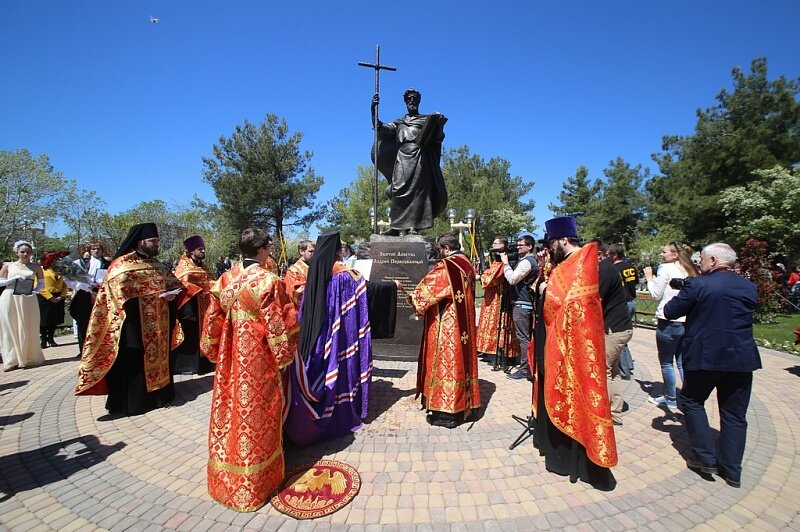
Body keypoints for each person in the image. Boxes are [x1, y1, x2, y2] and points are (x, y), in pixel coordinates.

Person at [200, 227, 299, 512]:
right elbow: (281, 323)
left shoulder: (225, 278)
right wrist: (285, 354)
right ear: (262, 249)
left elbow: (212, 319)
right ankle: (258, 483)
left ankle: (227, 478)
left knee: (230, 409)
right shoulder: (268, 280)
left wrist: (212, 348)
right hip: (258, 358)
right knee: (259, 412)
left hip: (230, 355)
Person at [664, 243, 761, 488]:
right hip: (740, 358)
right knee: (735, 414)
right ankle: (732, 470)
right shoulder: (749, 286)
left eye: (703, 260)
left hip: (706, 356)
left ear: (714, 260)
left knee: (692, 401)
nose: (701, 264)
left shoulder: (700, 284)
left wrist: (685, 291)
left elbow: (670, 311)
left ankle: (705, 457)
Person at [532, 216, 617, 490]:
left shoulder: (582, 262)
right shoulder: (567, 264)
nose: (549, 247)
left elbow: (570, 304)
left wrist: (546, 290)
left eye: (552, 242)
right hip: (557, 343)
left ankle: (574, 461)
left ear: (564, 239)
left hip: (572, 347)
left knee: (575, 394)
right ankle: (556, 452)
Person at [75, 223, 182, 416]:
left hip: (159, 324)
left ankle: (160, 395)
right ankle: (134, 403)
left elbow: (175, 284)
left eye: (157, 241)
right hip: (133, 323)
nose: (157, 244)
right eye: (153, 241)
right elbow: (115, 296)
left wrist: (171, 295)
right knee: (134, 360)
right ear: (140, 242)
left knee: (160, 357)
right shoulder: (121, 265)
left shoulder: (157, 265)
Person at [283, 232, 373, 446]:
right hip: (343, 335)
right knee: (343, 366)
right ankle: (346, 406)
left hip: (319, 336)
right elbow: (358, 308)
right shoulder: (347, 276)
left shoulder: (315, 272)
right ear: (337, 252)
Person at [405, 233, 480, 428]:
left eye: (440, 250)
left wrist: (410, 296)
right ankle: (465, 404)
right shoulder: (467, 263)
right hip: (464, 323)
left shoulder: (447, 266)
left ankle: (446, 412)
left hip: (449, 325)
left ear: (445, 248)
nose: (440, 254)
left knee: (447, 363)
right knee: (461, 362)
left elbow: (427, 292)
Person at [371, 88, 448, 234]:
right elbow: (380, 128)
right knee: (397, 189)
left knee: (418, 191)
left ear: (419, 101)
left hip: (420, 156)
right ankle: (396, 227)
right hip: (402, 156)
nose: (412, 101)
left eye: (414, 98)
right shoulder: (399, 122)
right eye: (409, 99)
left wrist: (439, 124)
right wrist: (373, 110)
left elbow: (437, 138)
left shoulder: (425, 120)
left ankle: (413, 227)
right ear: (405, 102)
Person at [644, 242, 700, 409]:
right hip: (686, 321)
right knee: (682, 361)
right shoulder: (690, 269)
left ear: (674, 254)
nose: (662, 255)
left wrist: (649, 278)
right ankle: (690, 396)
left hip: (668, 320)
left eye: (664, 252)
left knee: (667, 362)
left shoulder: (666, 268)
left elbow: (656, 294)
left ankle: (670, 397)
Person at [597, 243, 634, 426]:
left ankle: (608, 412)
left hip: (614, 329)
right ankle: (615, 411)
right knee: (614, 371)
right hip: (622, 327)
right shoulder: (610, 267)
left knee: (605, 370)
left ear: (599, 254)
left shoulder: (604, 269)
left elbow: (597, 301)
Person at [170, 235, 215, 375]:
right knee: (192, 337)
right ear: (190, 251)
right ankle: (188, 366)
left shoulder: (203, 266)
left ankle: (205, 364)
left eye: (203, 249)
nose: (202, 251)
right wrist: (188, 311)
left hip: (205, 308)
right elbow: (182, 285)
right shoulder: (184, 268)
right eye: (199, 249)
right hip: (191, 309)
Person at [0, 240, 45, 371]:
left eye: (28, 252)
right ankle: (11, 359)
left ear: (31, 253)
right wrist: (12, 280)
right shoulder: (9, 266)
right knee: (10, 326)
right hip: (10, 297)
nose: (25, 254)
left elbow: (42, 283)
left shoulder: (36, 267)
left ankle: (28, 357)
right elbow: (0, 282)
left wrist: (35, 291)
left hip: (28, 298)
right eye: (22, 252)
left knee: (28, 325)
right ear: (17, 253)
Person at [476, 237, 519, 366]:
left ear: (503, 245)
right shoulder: (496, 258)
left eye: (496, 243)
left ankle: (498, 353)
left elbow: (493, 277)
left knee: (497, 323)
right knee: (489, 322)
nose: (493, 244)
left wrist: (480, 277)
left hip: (499, 297)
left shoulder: (504, 259)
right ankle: (488, 350)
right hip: (491, 296)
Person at [501, 233, 538, 380]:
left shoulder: (527, 262)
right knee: (525, 337)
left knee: (523, 338)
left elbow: (512, 279)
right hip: (523, 303)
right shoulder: (528, 260)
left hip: (522, 304)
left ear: (529, 246)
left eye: (521, 244)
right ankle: (526, 366)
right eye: (517, 244)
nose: (517, 246)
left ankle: (525, 369)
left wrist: (505, 263)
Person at [69, 242, 111, 357]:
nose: (96, 251)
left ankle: (101, 347)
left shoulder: (108, 263)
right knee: (83, 323)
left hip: (102, 295)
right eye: (93, 248)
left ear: (102, 250)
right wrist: (86, 287)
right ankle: (83, 349)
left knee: (102, 322)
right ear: (90, 250)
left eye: (98, 248)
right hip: (84, 295)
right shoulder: (82, 263)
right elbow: (71, 279)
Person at [607, 244, 638, 380]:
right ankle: (629, 364)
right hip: (632, 300)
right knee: (624, 338)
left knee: (620, 335)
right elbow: (635, 282)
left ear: (614, 255)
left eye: (609, 255)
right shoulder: (631, 267)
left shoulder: (615, 269)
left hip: (622, 302)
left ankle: (624, 369)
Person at [37, 251, 69, 348]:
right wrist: (50, 297)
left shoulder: (61, 270)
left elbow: (65, 284)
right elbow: (37, 285)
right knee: (44, 320)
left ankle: (51, 338)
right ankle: (43, 339)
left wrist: (62, 296)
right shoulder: (41, 270)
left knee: (54, 319)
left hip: (58, 296)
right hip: (44, 296)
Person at [283, 239, 315, 307]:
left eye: (314, 251)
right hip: (300, 310)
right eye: (310, 251)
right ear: (301, 251)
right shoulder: (293, 271)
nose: (313, 254)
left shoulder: (313, 267)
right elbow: (295, 293)